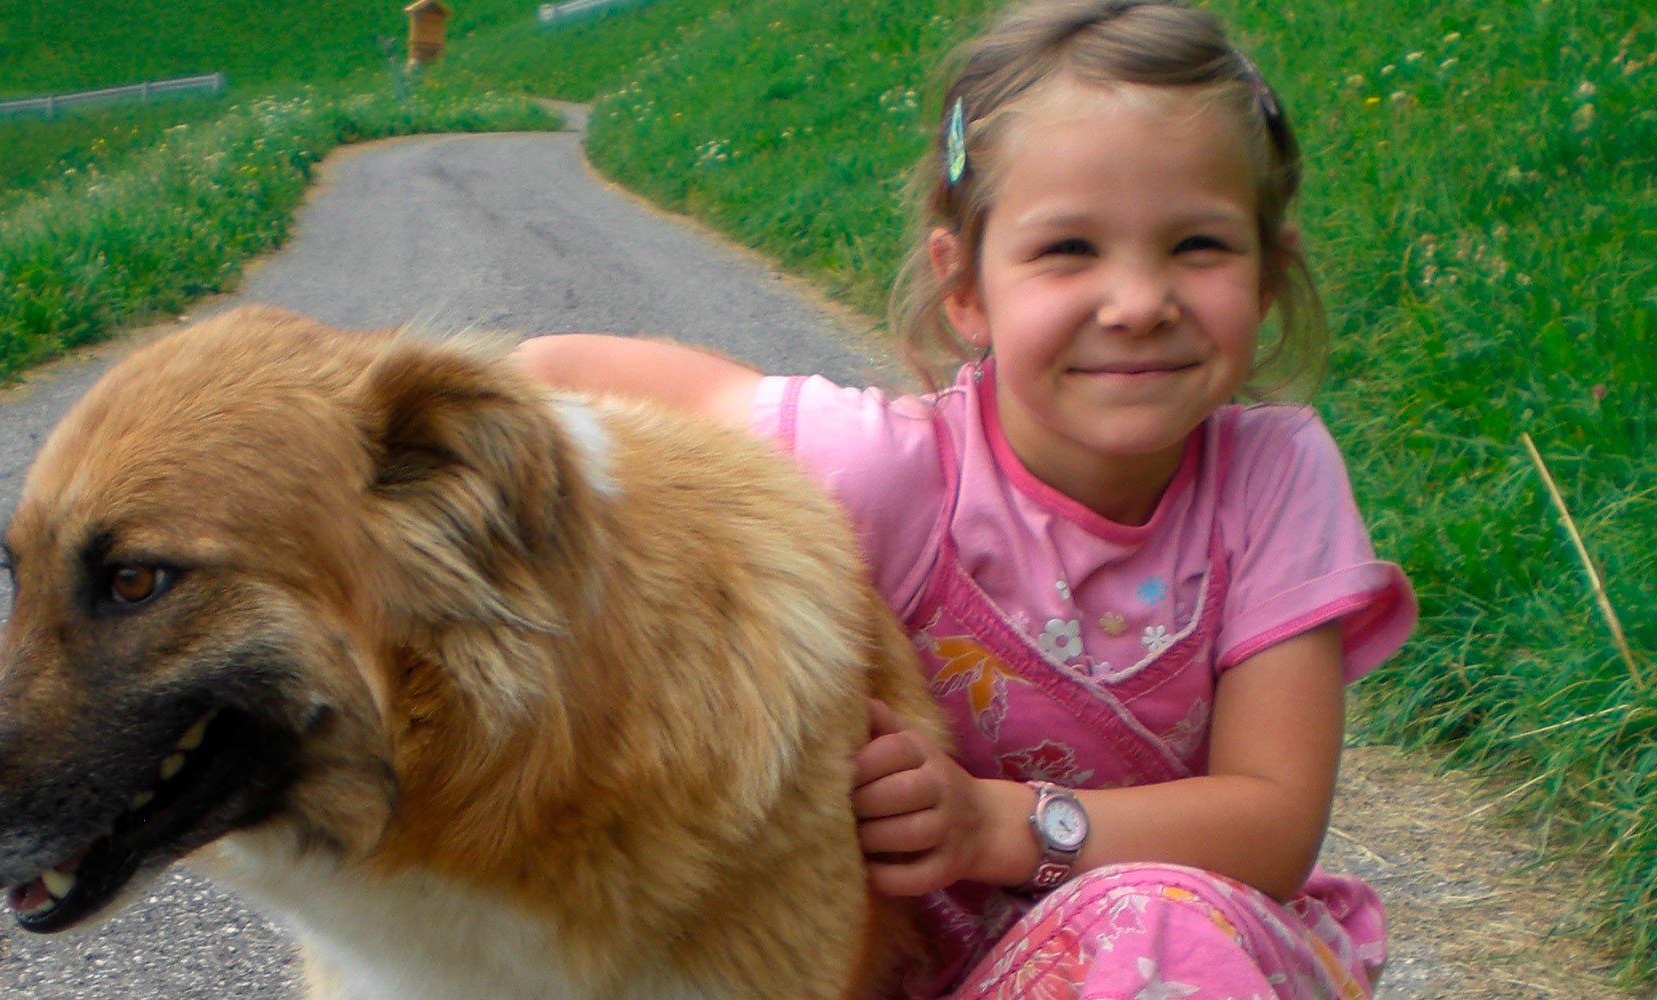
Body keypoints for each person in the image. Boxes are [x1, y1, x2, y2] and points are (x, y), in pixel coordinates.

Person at [514, 1, 1417, 997]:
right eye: (1069, 248)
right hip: (927, 970)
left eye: (1198, 245)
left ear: (1268, 268)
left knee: (1153, 928)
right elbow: (566, 371)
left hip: (1189, 948)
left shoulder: (1274, 476)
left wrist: (1000, 824)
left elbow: (1271, 823)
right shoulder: (896, 471)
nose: (1137, 302)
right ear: (966, 287)